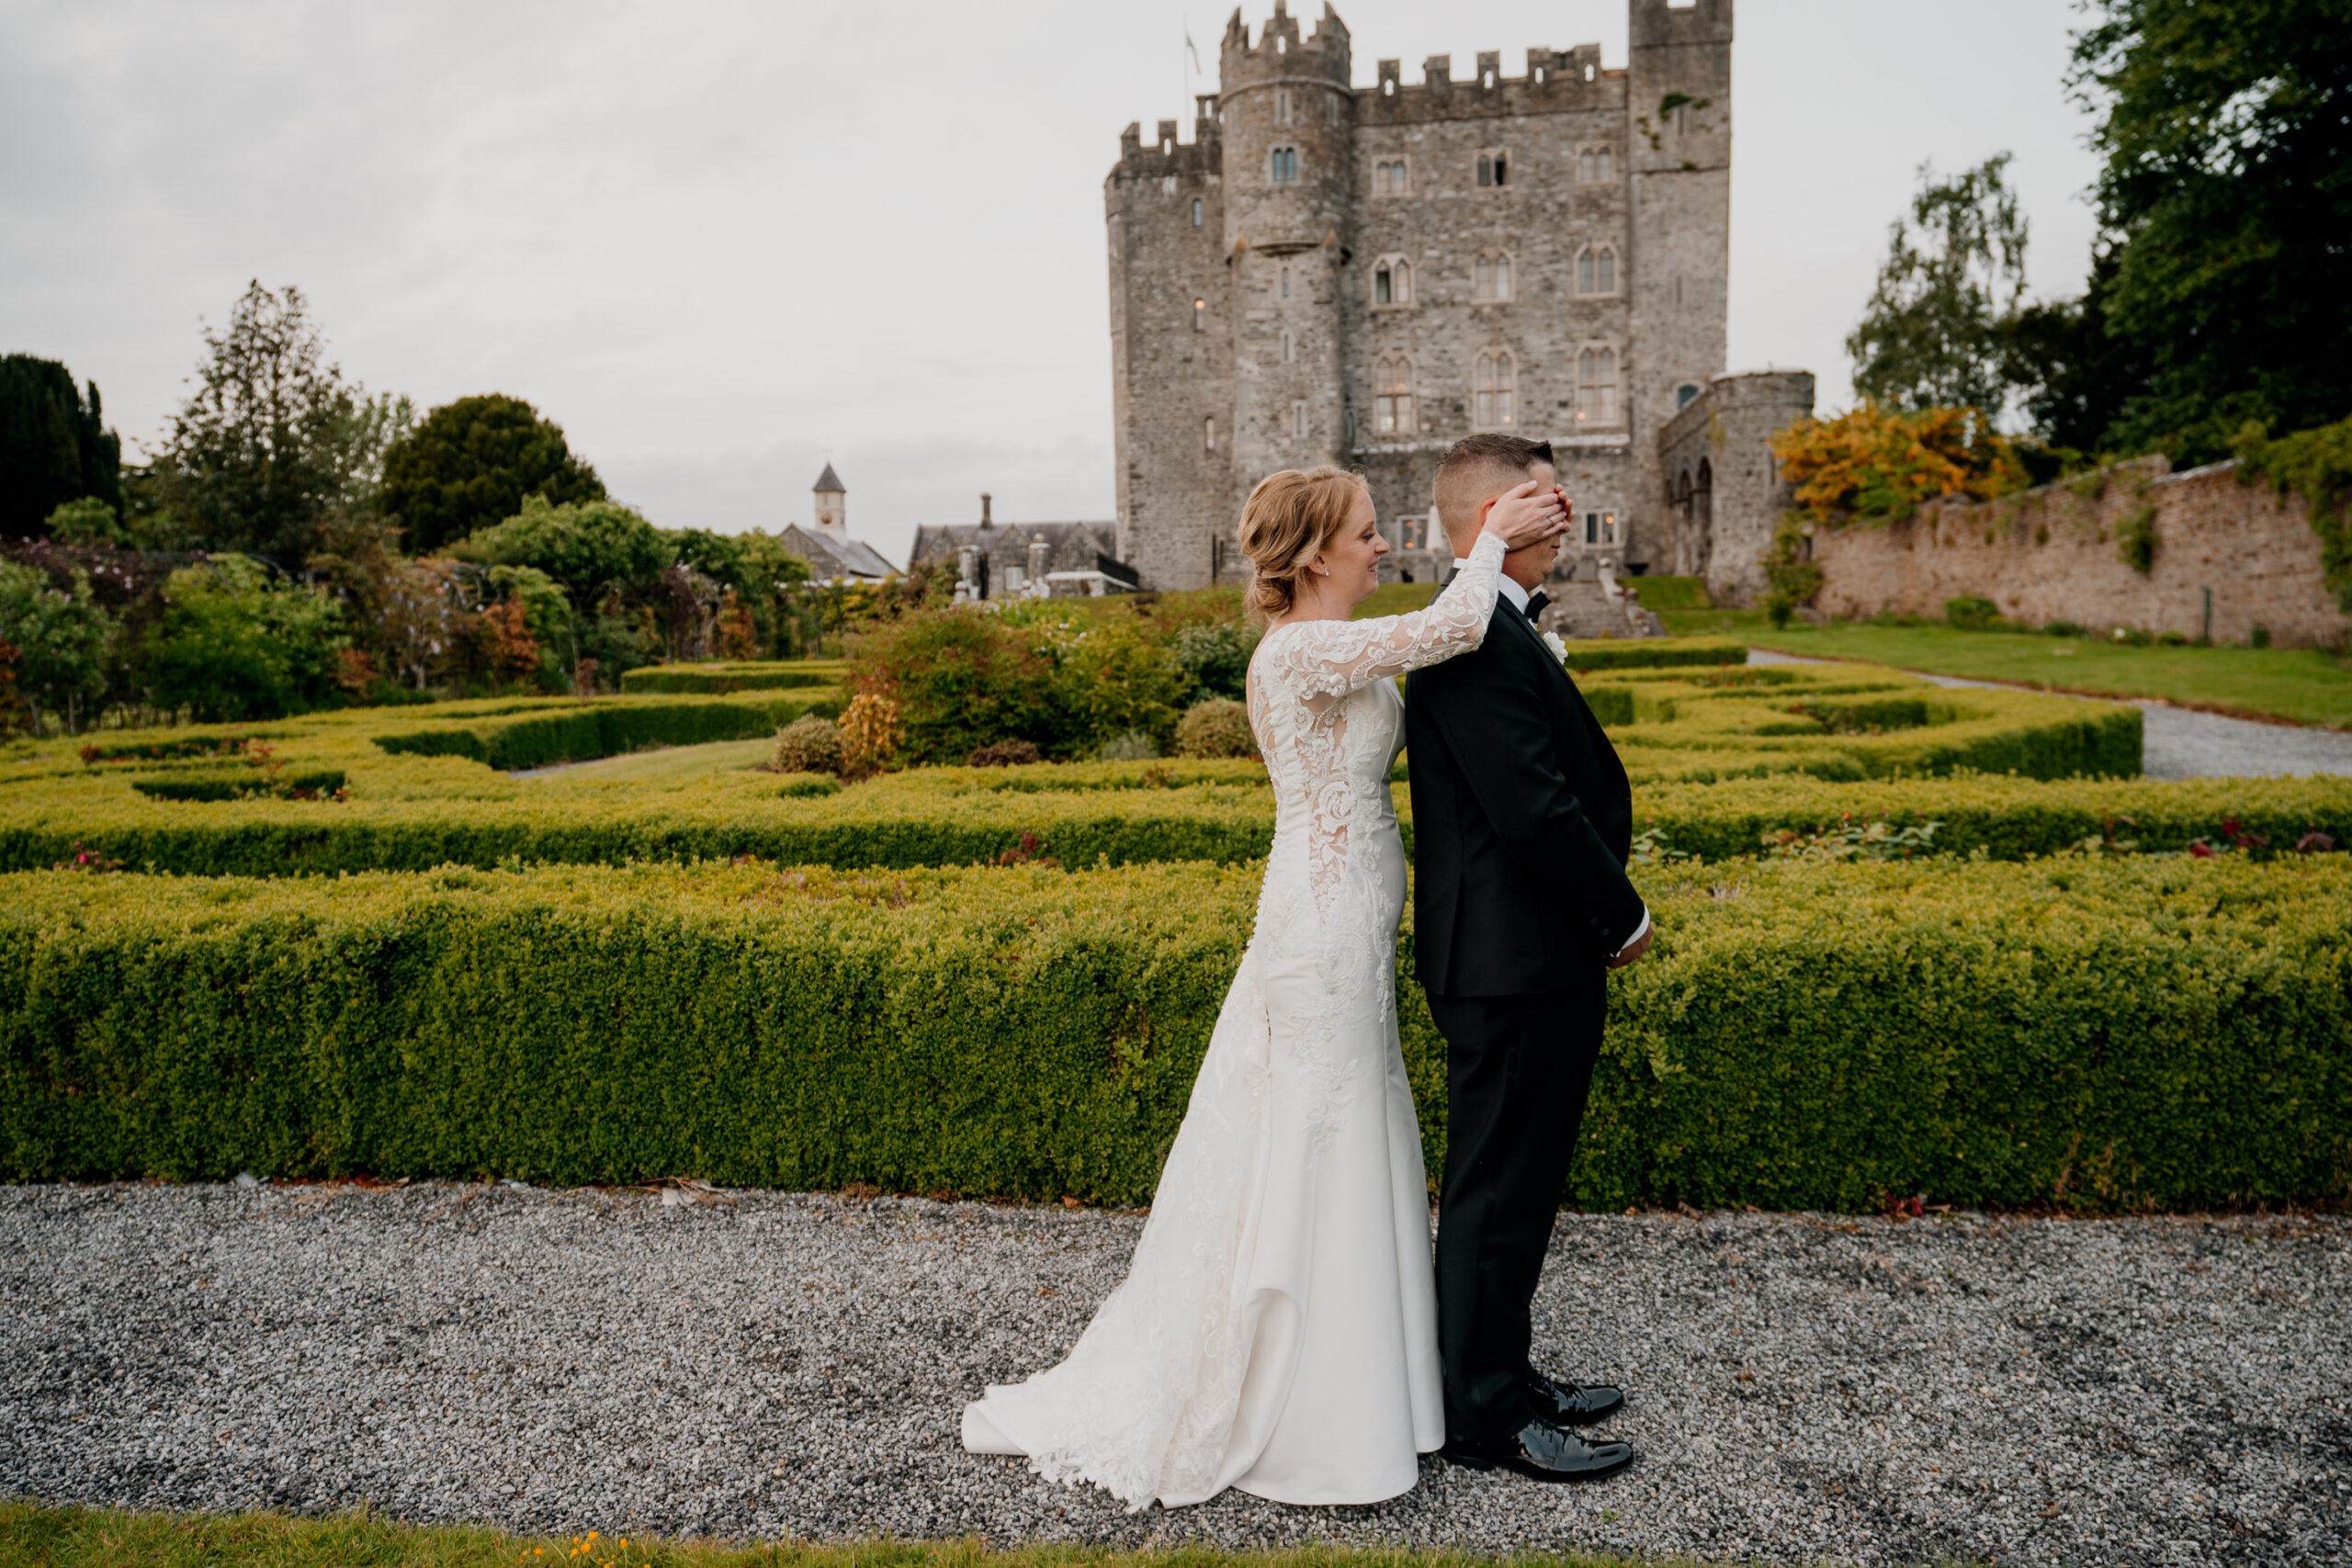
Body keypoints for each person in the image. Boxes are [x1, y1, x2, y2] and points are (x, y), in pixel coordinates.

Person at [961, 465, 1571, 1510]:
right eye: (1368, 533)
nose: (1383, 547)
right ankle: (1314, 1412)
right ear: (1315, 552)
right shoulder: (1298, 653)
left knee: (1353, 1118)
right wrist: (1489, 540)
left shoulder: (1333, 649)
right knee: (1319, 1129)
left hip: (1351, 922)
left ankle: (1393, 1381)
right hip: (1322, 928)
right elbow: (1453, 627)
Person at [1403, 432, 1651, 1483]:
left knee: (1519, 1185)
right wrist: (1623, 912)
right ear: (1500, 513)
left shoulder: (1494, 626)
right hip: (1508, 961)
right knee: (1496, 1191)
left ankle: (1502, 1369)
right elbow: (1534, 813)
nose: (1566, 517)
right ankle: (1483, 1416)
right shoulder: (1463, 637)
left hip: (1528, 955)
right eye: (1550, 502)